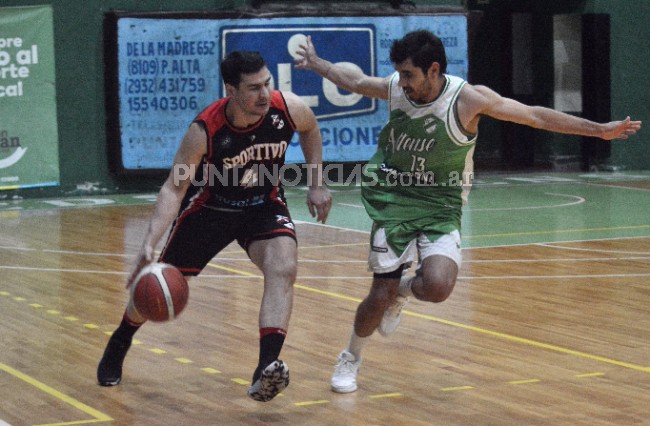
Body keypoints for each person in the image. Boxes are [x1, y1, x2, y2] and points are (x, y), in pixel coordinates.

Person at [293, 30, 642, 393]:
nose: (403, 83)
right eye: (400, 74)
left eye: (410, 75)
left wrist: (598, 130)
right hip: (394, 199)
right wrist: (319, 65)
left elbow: (535, 117)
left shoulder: (467, 99)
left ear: (433, 70)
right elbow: (359, 82)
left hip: (442, 203)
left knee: (438, 287)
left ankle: (403, 294)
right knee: (378, 294)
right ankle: (351, 356)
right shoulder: (400, 87)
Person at [97, 51, 332, 402]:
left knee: (283, 267)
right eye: (253, 88)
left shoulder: (288, 109)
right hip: (212, 210)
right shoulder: (205, 130)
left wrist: (316, 182)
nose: (264, 94)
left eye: (267, 84)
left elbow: (311, 130)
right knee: (158, 286)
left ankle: (266, 369)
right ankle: (121, 339)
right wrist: (150, 242)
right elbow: (174, 188)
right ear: (230, 90)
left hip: (263, 206)